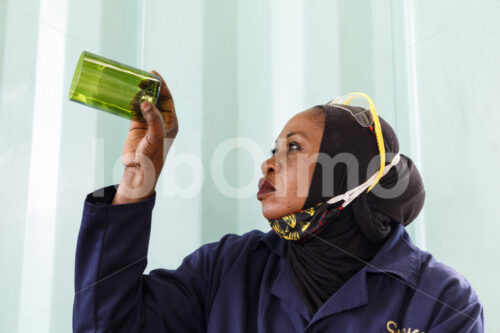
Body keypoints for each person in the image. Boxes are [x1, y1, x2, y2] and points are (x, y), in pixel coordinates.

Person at [73, 72, 484, 332]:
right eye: (274, 148)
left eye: (293, 147)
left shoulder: (442, 302)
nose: (269, 163)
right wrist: (136, 180)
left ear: (347, 174)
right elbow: (104, 326)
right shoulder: (229, 268)